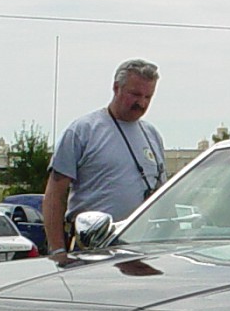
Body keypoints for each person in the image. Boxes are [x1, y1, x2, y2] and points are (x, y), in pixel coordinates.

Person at [43, 59, 165, 261]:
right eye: (135, 94)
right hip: (92, 250)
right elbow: (54, 195)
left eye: (148, 97)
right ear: (116, 88)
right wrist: (57, 251)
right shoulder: (83, 131)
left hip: (142, 251)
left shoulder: (151, 135)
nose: (142, 103)